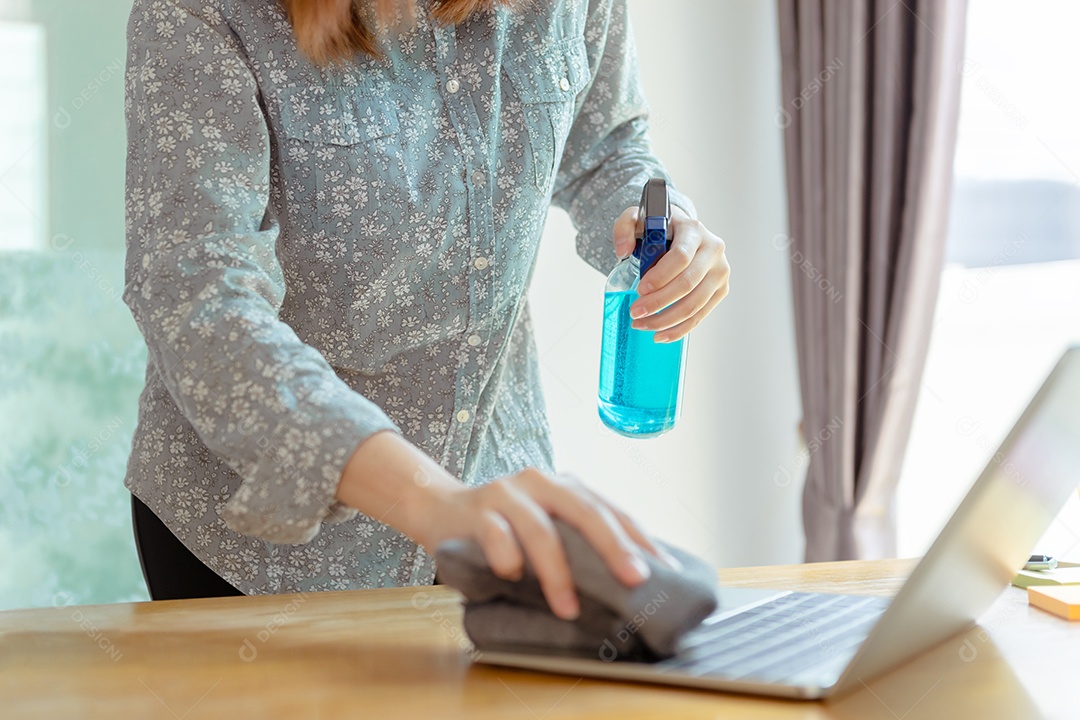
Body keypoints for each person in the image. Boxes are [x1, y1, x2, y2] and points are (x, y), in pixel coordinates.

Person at [121, 0, 730, 620]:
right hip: (262, 553)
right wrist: (435, 504)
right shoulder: (201, 12)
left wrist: (661, 220)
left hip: (491, 487)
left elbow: (606, 144)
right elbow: (197, 299)